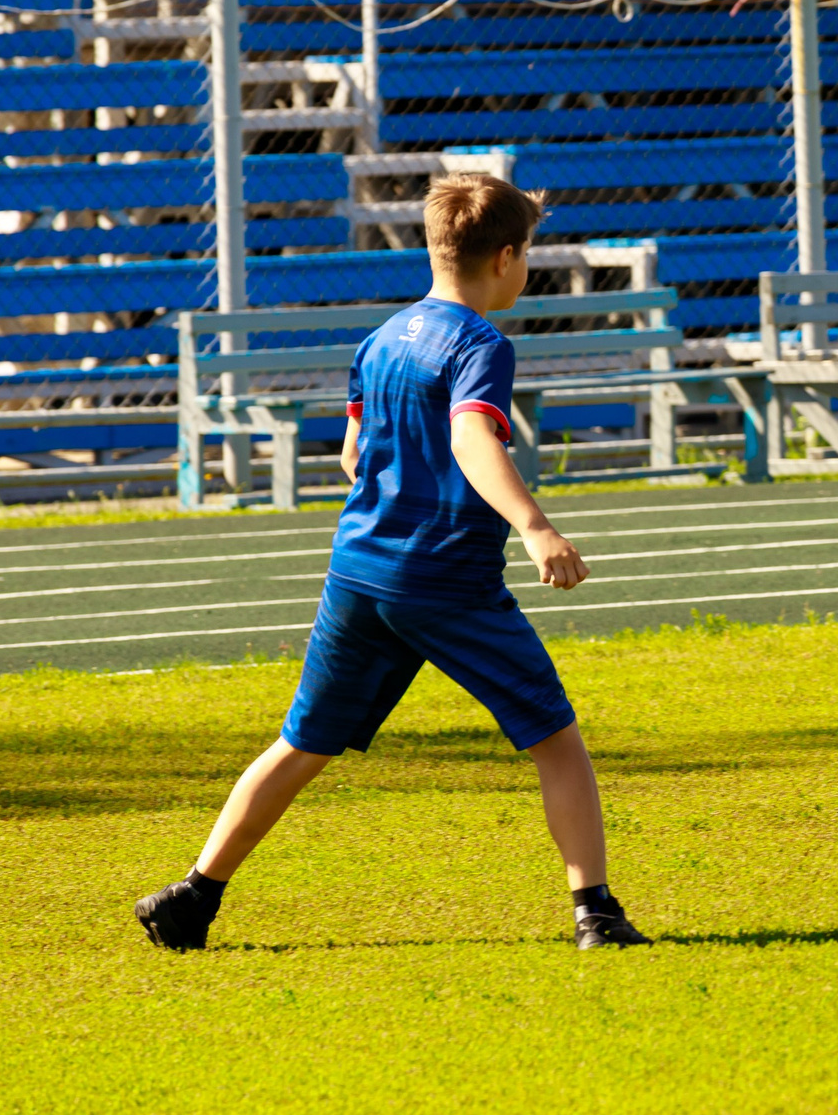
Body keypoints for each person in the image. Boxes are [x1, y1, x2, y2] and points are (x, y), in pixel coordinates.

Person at [133, 174, 653, 951]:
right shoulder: (481, 344)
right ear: (505, 258)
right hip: (445, 577)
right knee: (557, 740)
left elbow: (353, 454)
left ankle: (192, 895)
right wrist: (535, 526)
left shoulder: (382, 338)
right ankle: (597, 914)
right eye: (527, 255)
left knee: (302, 742)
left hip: (359, 571)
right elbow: (471, 436)